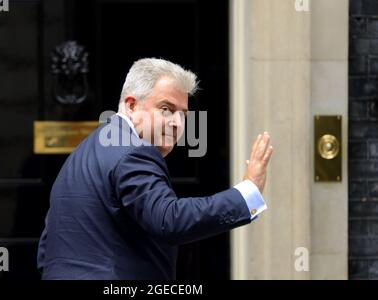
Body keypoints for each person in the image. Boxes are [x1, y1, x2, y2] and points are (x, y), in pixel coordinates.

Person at [37, 58, 273, 279]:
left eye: (183, 115)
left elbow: (47, 248)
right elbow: (168, 220)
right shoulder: (133, 152)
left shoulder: (84, 152)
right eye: (166, 109)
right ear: (131, 105)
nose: (177, 124)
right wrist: (246, 194)